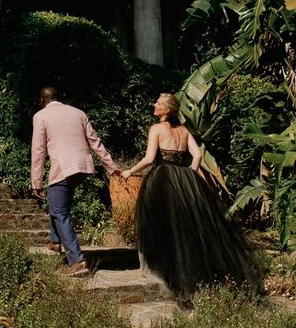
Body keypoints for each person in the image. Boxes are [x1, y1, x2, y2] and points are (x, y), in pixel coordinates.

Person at [121, 92, 262, 302]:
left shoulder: (156, 129)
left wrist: (129, 172)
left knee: (162, 224)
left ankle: (163, 271)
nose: (154, 104)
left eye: (158, 103)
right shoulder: (184, 131)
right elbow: (197, 155)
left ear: (167, 110)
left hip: (163, 177)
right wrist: (188, 174)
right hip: (184, 176)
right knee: (185, 227)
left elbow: (150, 158)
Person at [31, 86, 121, 277]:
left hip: (64, 167)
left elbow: (38, 151)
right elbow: (95, 141)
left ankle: (78, 261)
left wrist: (36, 180)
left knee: (59, 211)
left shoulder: (41, 116)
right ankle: (55, 241)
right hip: (83, 166)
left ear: (42, 100)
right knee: (55, 201)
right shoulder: (78, 112)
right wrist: (111, 166)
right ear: (58, 98)